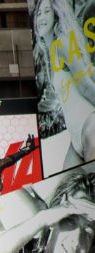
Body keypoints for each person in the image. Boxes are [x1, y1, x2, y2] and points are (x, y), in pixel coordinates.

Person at [32, 0, 95, 165]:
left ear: (56, 14)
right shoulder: (49, 54)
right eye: (38, 13)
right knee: (63, 187)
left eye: (47, 11)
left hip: (90, 127)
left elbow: (86, 87)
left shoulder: (62, 43)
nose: (41, 17)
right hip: (75, 136)